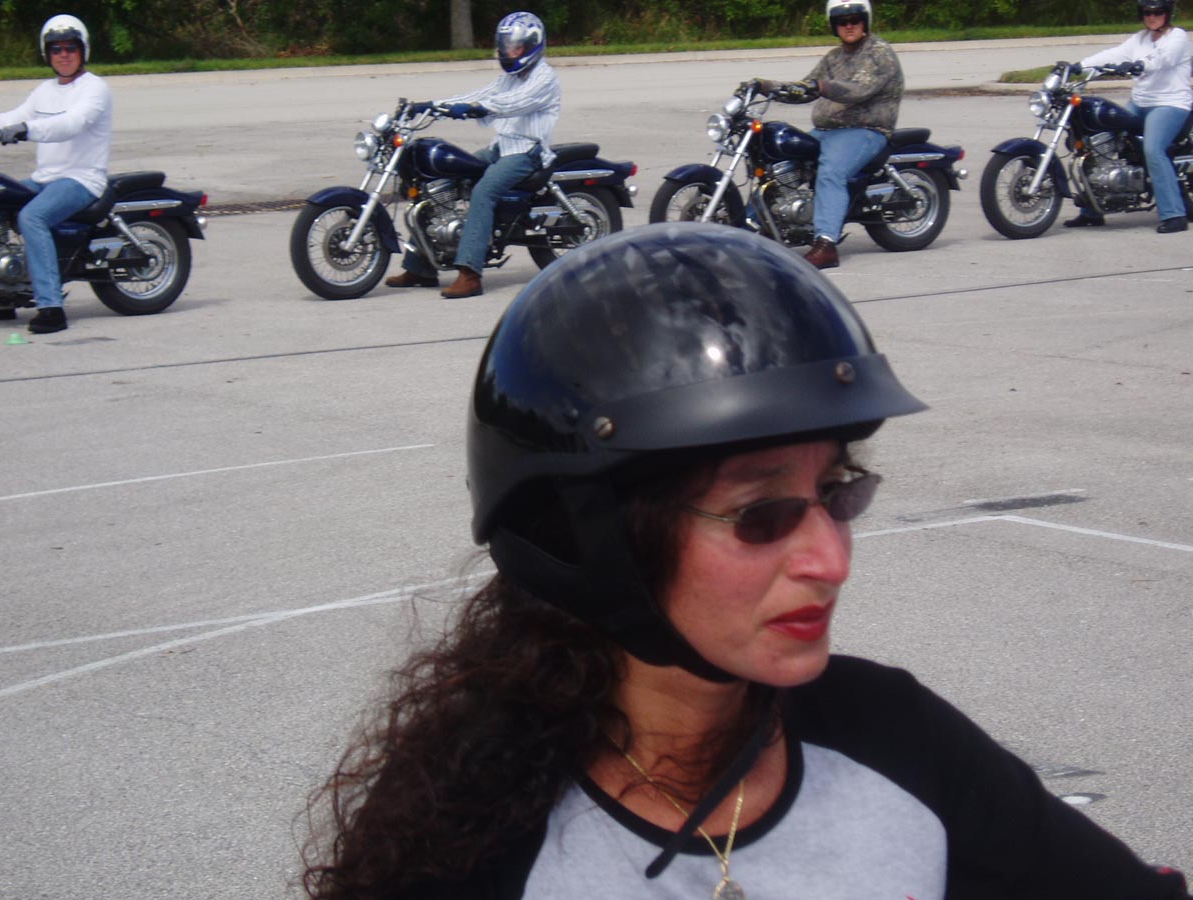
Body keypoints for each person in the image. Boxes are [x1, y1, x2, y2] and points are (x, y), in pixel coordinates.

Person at [301, 222, 1191, 900]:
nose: (831, 560)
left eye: (837, 492)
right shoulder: (470, 836)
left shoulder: (895, 738)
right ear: (589, 538)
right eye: (762, 516)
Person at [383, 11, 560, 300]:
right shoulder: (509, 78)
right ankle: (421, 267)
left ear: (532, 46)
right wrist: (431, 105)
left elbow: (512, 103)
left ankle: (470, 274)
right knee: (442, 183)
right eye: (506, 46)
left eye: (515, 48)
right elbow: (481, 94)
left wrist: (478, 109)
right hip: (500, 147)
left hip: (527, 152)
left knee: (483, 192)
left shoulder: (545, 78)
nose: (509, 52)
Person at [754, 0, 903, 270]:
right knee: (782, 161)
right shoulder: (834, 57)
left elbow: (858, 89)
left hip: (867, 130)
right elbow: (805, 87)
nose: (849, 26)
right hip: (828, 131)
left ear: (865, 22)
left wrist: (821, 86)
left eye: (855, 20)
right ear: (834, 26)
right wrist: (766, 86)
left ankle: (826, 243)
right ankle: (761, 227)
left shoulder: (879, 53)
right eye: (842, 21)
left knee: (831, 171)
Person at [0, 14, 112, 334]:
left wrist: (25, 129)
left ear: (83, 50)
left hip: (81, 179)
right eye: (56, 49)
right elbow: (15, 115)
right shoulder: (44, 90)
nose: (63, 54)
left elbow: (70, 123)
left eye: (70, 47)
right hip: (45, 178)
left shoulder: (94, 88)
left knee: (32, 217)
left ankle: (51, 307)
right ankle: (4, 294)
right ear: (47, 53)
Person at [1066, 0, 1192, 233]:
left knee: (1153, 149)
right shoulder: (1140, 39)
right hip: (1140, 103)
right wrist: (1079, 66)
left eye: (1157, 12)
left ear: (1167, 14)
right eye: (1147, 12)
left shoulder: (1178, 37)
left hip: (1170, 104)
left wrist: (1139, 65)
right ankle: (1092, 211)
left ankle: (1174, 215)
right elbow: (1114, 54)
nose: (1152, 16)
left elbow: (1163, 58)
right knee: (1099, 142)